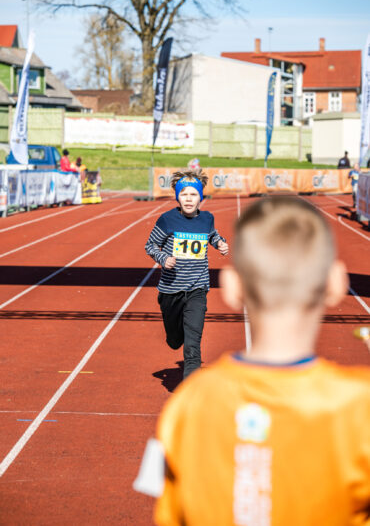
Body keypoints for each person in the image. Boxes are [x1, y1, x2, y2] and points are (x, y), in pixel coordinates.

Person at [136, 196, 369, 525]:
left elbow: (166, 507)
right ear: (336, 284)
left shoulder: (186, 406)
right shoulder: (361, 408)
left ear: (233, 288)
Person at [145, 169, 229, 380]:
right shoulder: (167, 220)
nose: (189, 199)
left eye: (193, 195)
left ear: (200, 197)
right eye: (184, 194)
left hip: (197, 288)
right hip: (171, 289)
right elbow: (151, 245)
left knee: (193, 340)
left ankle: (191, 386)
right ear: (177, 196)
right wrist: (164, 259)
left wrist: (219, 243)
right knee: (175, 340)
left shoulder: (207, 218)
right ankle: (174, 335)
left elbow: (212, 234)